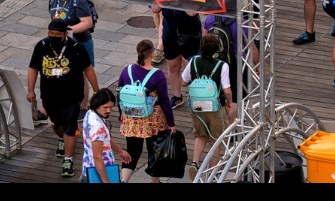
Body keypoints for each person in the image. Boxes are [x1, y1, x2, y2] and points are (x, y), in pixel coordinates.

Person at [28, 18, 98, 178]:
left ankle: (68, 160)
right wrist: (30, 90)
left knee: (70, 126)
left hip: (72, 96)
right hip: (49, 96)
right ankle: (63, 139)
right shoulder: (42, 46)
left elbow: (88, 69)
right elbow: (33, 68)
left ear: (65, 34)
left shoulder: (76, 48)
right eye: (50, 33)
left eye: (57, 34)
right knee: (56, 125)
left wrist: (96, 91)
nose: (53, 36)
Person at [117, 40, 176, 183]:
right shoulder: (157, 74)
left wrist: (121, 115)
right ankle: (155, 181)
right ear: (152, 53)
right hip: (152, 119)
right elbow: (165, 101)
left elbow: (119, 93)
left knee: (132, 151)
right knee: (154, 150)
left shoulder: (127, 70)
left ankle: (123, 180)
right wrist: (171, 123)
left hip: (131, 117)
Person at [183, 33, 234, 180]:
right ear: (218, 48)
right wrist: (229, 102)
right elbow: (226, 90)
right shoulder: (221, 65)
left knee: (200, 135)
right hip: (215, 107)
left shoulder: (193, 61)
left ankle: (195, 163)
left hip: (197, 106)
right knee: (216, 139)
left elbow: (183, 81)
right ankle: (212, 173)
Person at [153, 5, 203, 108]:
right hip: (169, 35)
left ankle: (196, 96)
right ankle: (177, 97)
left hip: (189, 35)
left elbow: (192, 12)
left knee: (190, 66)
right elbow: (155, 9)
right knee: (173, 66)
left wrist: (178, 0)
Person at [82, 89, 127, 183]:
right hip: (99, 173)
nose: (108, 111)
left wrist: (120, 151)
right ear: (97, 105)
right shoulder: (97, 126)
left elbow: (106, 138)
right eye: (105, 107)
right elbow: (97, 157)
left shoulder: (90, 113)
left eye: (111, 107)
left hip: (88, 168)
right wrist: (106, 181)